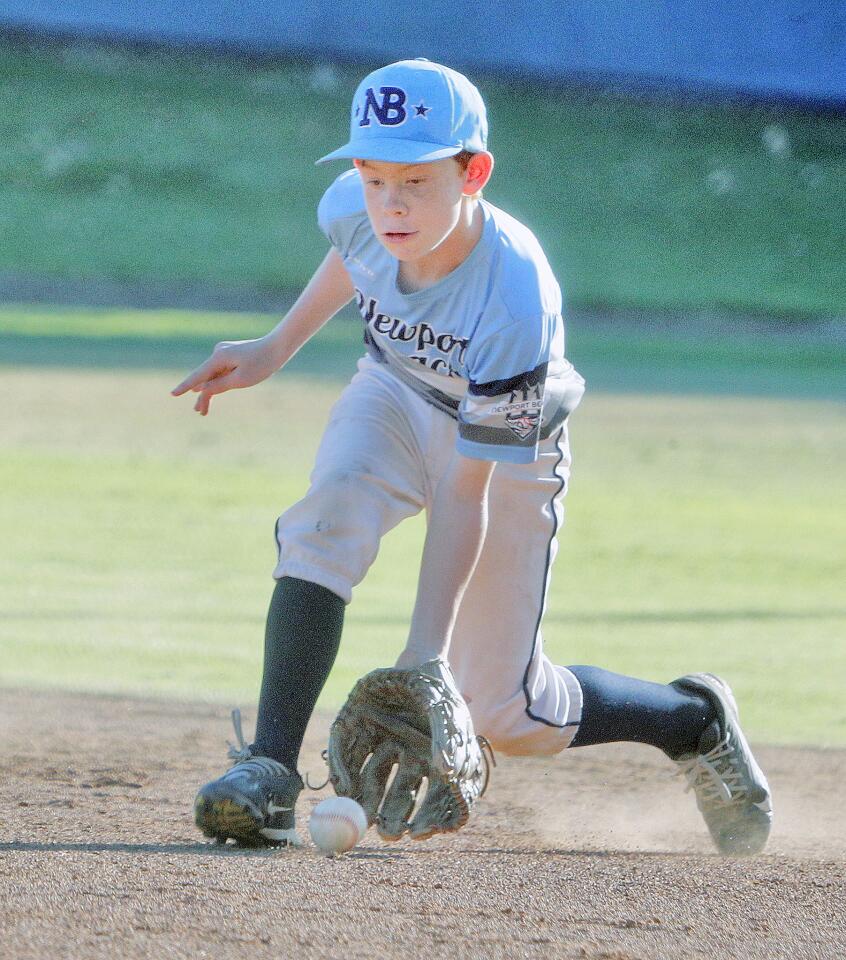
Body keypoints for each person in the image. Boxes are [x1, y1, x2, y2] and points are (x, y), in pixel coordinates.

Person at [172, 58, 772, 855]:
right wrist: (275, 347)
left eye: (416, 179)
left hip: (509, 448)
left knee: (508, 714)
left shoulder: (514, 292)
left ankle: (693, 720)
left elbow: (465, 488)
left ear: (473, 172)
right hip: (394, 391)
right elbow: (356, 254)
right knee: (327, 515)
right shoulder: (357, 205)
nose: (390, 200)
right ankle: (270, 772)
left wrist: (425, 657)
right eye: (374, 173)